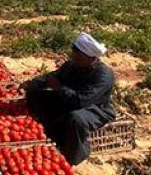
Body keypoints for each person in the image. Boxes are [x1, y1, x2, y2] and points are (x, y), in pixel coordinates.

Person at [24, 32, 116, 165]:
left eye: (79, 60)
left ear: (92, 59)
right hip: (70, 99)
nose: (75, 62)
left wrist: (60, 88)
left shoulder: (103, 75)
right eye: (74, 58)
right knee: (36, 94)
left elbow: (82, 101)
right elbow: (53, 76)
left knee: (76, 118)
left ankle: (73, 157)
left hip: (94, 108)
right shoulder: (72, 65)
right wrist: (32, 83)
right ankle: (50, 133)